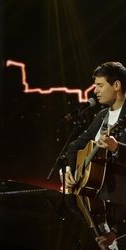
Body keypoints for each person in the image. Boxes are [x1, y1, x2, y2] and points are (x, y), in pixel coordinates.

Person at [60, 61, 126, 249]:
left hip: (119, 211)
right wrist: (68, 171)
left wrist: (117, 148)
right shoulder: (101, 116)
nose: (95, 91)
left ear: (116, 85)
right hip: (93, 207)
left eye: (99, 85)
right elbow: (74, 146)